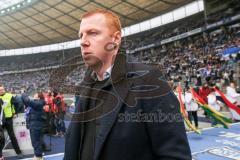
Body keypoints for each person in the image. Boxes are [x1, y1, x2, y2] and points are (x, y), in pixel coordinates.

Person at [64, 9, 191, 160]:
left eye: (93, 33)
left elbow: (175, 156)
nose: (83, 41)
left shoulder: (149, 81)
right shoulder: (84, 87)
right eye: (81, 35)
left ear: (116, 38)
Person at [0, 85, 23, 159]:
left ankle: (18, 152)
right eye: (0, 90)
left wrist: (15, 112)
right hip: (0, 120)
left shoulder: (9, 96)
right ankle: (1, 155)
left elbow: (16, 104)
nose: (2, 91)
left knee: (12, 136)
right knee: (0, 138)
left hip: (8, 118)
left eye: (2, 89)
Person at [22, 92, 45, 160]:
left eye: (36, 94)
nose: (34, 94)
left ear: (39, 97)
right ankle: (38, 155)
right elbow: (26, 102)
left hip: (36, 126)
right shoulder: (37, 103)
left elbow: (27, 101)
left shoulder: (39, 103)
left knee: (36, 142)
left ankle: (38, 157)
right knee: (35, 142)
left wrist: (23, 93)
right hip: (34, 125)